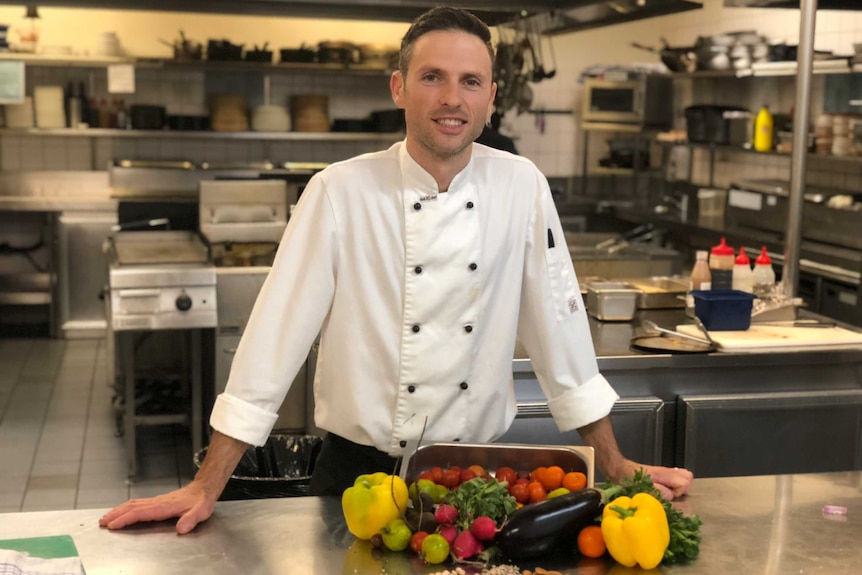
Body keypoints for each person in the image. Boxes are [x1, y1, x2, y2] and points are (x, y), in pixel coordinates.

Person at [100, 6, 692, 535]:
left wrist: (612, 463)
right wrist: (207, 484)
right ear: (399, 88)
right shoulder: (339, 192)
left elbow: (559, 333)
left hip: (478, 482)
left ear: (489, 99)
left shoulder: (523, 186)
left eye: (470, 82)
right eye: (432, 77)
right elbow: (272, 343)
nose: (451, 99)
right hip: (356, 478)